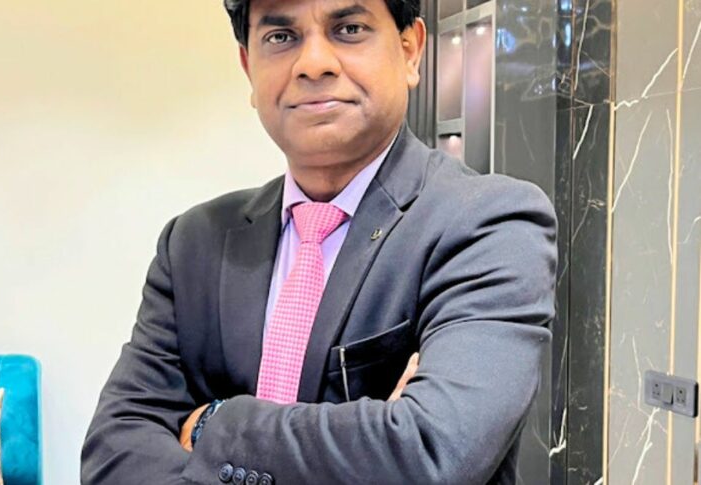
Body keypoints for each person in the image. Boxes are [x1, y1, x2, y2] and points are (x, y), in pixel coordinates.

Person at [81, 0, 557, 483]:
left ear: (410, 50)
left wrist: (215, 423)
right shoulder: (194, 243)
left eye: (349, 29)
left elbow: (432, 453)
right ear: (248, 67)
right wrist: (371, 434)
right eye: (281, 37)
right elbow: (112, 455)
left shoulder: (486, 224)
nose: (313, 64)